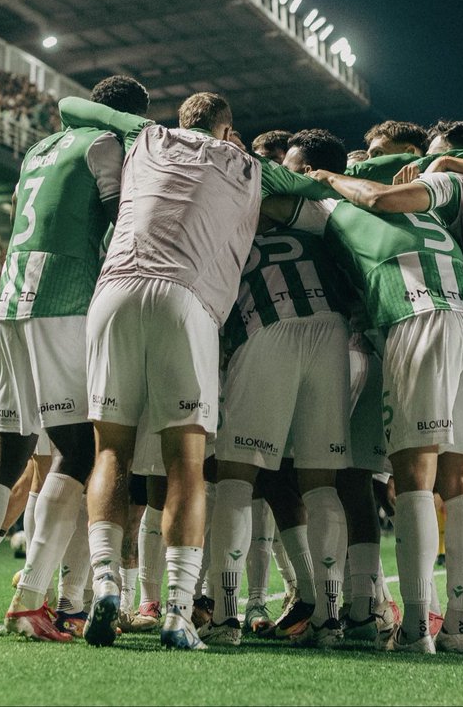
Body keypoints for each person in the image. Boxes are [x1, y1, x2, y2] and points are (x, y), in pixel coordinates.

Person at [70, 91, 330, 651]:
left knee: (110, 452)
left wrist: (140, 123)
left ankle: (108, 587)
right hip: (184, 300)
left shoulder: (146, 135)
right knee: (186, 462)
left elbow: (73, 105)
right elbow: (316, 185)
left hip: (113, 292)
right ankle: (178, 612)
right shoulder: (248, 165)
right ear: (227, 127)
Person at [266, 137, 463, 656]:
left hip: (418, 315)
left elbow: (272, 198)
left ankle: (417, 626)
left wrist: (323, 178)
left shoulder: (330, 200)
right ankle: (460, 626)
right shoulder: (415, 187)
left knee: (413, 478)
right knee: (461, 480)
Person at [0, 75, 146, 642]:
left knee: (8, 452)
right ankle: (32, 598)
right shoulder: (104, 146)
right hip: (64, 300)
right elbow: (120, 224)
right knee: (80, 448)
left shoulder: (40, 147)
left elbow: (20, 210)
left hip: (11, 300)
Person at [201, 128, 354, 647]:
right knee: (321, 481)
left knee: (236, 477)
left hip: (267, 327)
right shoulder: (324, 210)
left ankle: (224, 617)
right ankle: (330, 619)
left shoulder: (235, 204)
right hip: (332, 329)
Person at [363, 120, 429, 158]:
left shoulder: (434, 180)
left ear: (410, 152)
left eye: (378, 153)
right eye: (368, 157)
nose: (368, 162)